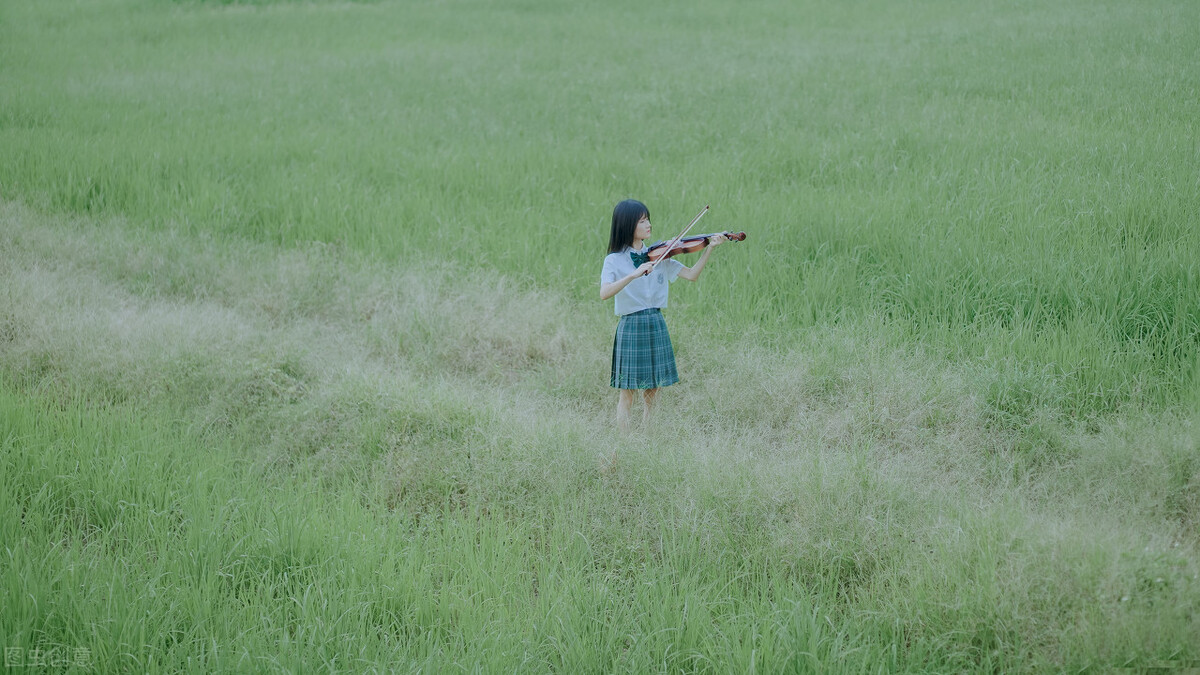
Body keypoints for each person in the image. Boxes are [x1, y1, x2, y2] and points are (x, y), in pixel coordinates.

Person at [600, 199, 726, 434]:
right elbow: (604, 293)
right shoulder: (614, 260)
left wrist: (709, 248)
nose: (649, 224)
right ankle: (624, 441)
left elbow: (692, 275)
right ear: (627, 225)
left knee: (653, 391)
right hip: (631, 325)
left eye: (648, 219)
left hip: (656, 323)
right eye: (642, 221)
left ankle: (648, 438)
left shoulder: (660, 255)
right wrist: (633, 275)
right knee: (628, 392)